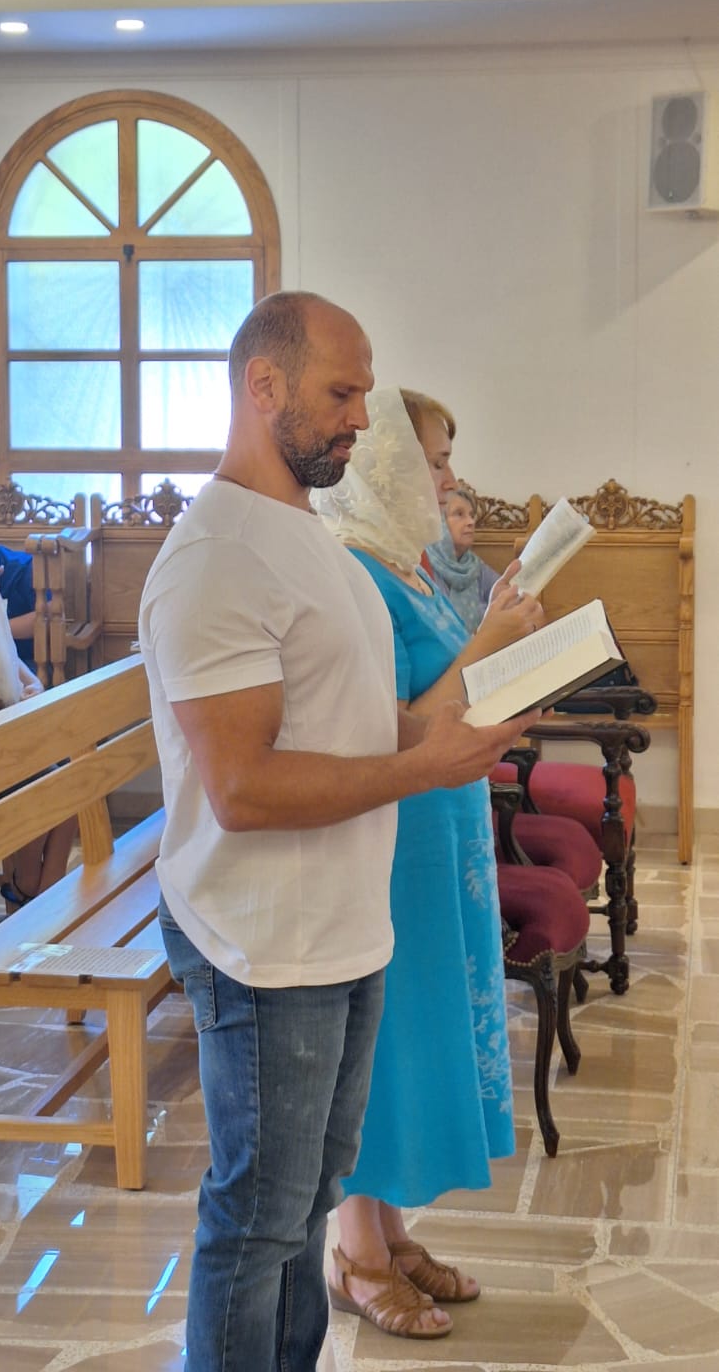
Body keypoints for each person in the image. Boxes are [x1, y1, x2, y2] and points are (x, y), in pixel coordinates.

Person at [137, 292, 540, 1371]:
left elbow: (364, 718)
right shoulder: (218, 556)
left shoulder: (309, 537)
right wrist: (422, 765)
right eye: (343, 392)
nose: (364, 417)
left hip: (343, 928)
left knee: (307, 1203)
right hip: (264, 943)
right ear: (262, 385)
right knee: (259, 1218)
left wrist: (451, 728)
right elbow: (242, 788)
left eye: (365, 392)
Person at [317, 385, 544, 1342]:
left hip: (440, 828)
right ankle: (354, 1254)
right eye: (436, 461)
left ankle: (391, 1233)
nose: (450, 477)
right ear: (389, 466)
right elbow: (393, 724)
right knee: (388, 1042)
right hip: (394, 837)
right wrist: (490, 641)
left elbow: (452, 691)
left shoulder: (402, 566)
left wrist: (512, 646)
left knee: (414, 1033)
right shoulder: (351, 571)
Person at [0, 544, 77, 908]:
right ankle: (30, 892)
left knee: (73, 786)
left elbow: (22, 673)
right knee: (44, 792)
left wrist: (32, 688)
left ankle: (39, 894)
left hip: (5, 734)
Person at [424, 485, 499, 633]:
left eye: (471, 515)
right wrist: (485, 611)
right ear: (439, 521)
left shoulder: (474, 566)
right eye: (459, 514)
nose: (471, 522)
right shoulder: (422, 565)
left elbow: (506, 597)